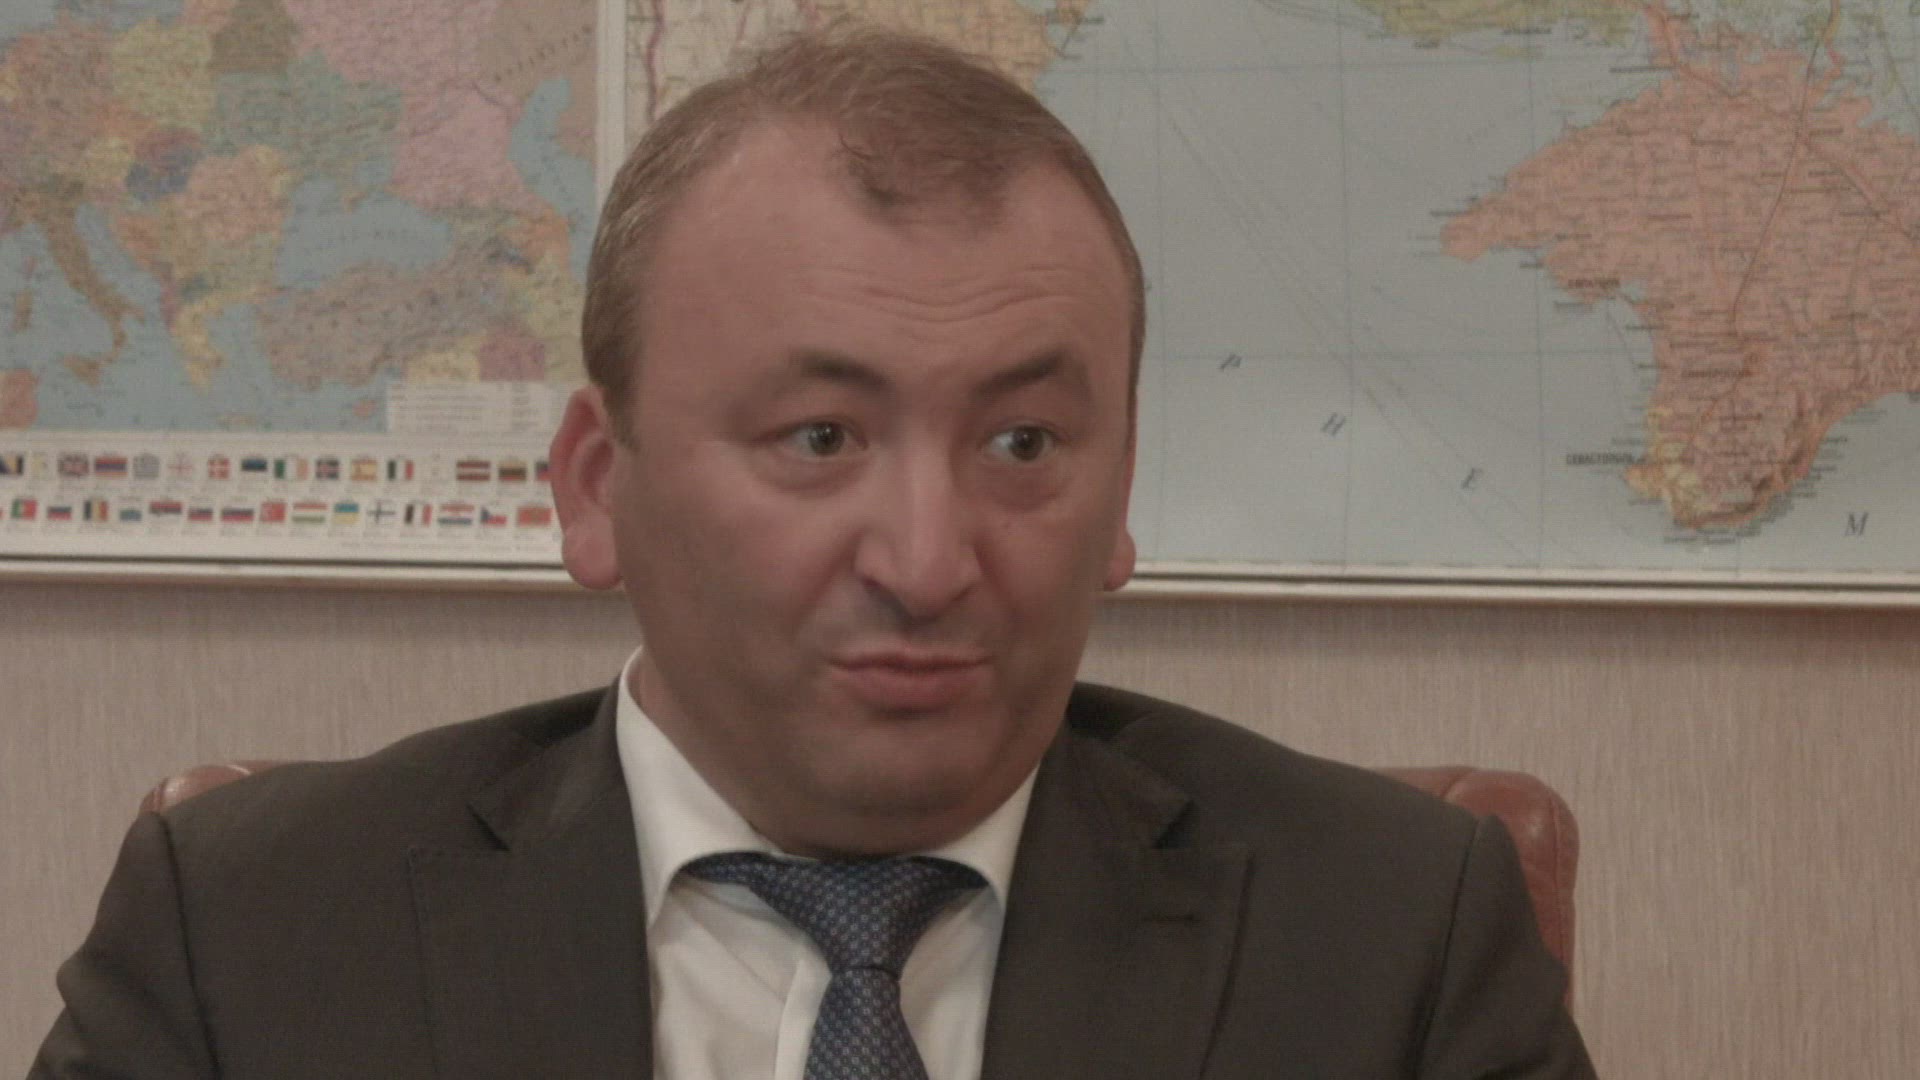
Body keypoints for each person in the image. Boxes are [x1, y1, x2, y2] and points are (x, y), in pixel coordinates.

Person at [30, 25, 1595, 1079]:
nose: (926, 560)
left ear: (1122, 497)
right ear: (597, 487)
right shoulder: (252, 933)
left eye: (1023, 445)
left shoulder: (1394, 934)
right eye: (821, 438)